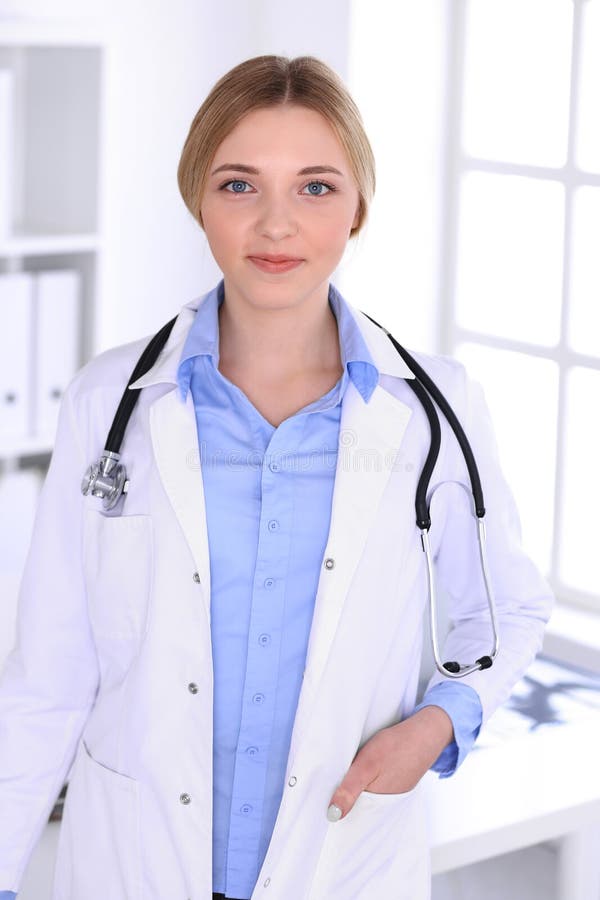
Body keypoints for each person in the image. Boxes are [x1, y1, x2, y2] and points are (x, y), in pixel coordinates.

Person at [0, 55, 554, 900]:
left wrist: (443, 720)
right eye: (238, 185)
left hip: (341, 862)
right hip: (133, 865)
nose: (276, 225)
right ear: (198, 199)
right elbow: (48, 675)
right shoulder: (108, 400)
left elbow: (507, 607)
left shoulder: (433, 412)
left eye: (316, 187)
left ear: (359, 206)